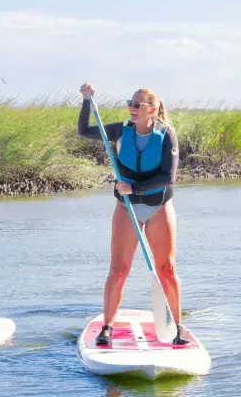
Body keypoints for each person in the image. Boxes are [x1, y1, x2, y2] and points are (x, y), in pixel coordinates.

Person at [77, 83, 189, 346]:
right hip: (127, 207)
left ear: (152, 109)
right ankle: (107, 327)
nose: (132, 108)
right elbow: (84, 130)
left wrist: (135, 188)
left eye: (138, 104)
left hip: (158, 206)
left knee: (166, 269)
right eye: (130, 103)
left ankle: (178, 326)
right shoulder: (120, 130)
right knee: (119, 269)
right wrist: (86, 101)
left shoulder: (167, 135)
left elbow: (169, 177)